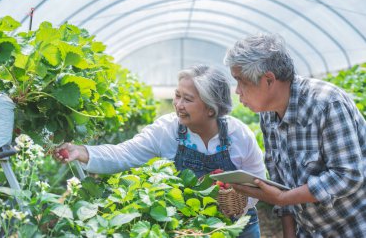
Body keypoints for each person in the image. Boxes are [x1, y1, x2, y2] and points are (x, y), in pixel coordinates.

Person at [54, 64, 266, 238]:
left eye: (188, 99)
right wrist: (82, 152)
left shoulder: (239, 135)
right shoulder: (167, 129)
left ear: (211, 108)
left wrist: (234, 206)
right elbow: (125, 153)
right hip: (189, 227)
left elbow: (258, 180)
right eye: (177, 96)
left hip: (238, 227)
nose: (178, 105)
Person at [223, 33, 366, 237]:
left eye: (241, 81)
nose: (237, 91)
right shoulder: (268, 115)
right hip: (309, 230)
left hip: (352, 228)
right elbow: (280, 181)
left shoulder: (327, 104)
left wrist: (284, 198)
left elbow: (348, 175)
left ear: (269, 80)